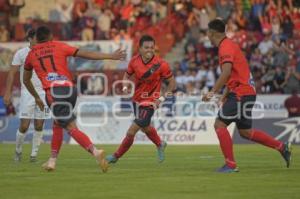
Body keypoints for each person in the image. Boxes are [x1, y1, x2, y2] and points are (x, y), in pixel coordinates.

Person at [23, 26, 126, 172]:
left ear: (36, 38)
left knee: (70, 127)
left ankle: (95, 152)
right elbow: (86, 53)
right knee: (58, 123)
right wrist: (110, 56)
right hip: (70, 90)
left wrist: (36, 97)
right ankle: (52, 161)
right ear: (50, 36)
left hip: (54, 92)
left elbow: (26, 80)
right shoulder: (59, 45)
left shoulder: (31, 55)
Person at [202, 19, 292, 173]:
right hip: (245, 92)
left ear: (212, 33)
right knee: (245, 132)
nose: (207, 37)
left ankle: (230, 165)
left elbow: (226, 72)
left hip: (240, 94)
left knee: (219, 125)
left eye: (207, 34)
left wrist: (212, 92)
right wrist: (225, 94)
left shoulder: (225, 47)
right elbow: (236, 74)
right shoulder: (229, 45)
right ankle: (282, 147)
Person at [106, 35, 176, 164]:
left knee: (131, 131)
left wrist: (160, 98)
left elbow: (173, 84)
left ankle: (116, 156)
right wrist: (125, 85)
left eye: (152, 47)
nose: (150, 50)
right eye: (146, 47)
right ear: (140, 49)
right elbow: (126, 76)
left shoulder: (161, 64)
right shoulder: (134, 61)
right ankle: (160, 144)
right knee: (145, 127)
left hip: (150, 102)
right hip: (136, 100)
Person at [3, 29, 51, 162]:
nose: (39, 39)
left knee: (39, 125)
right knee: (24, 125)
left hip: (43, 92)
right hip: (27, 92)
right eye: (36, 37)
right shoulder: (21, 53)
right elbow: (12, 73)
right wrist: (8, 92)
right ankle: (18, 151)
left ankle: (33, 155)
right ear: (30, 38)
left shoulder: (45, 52)